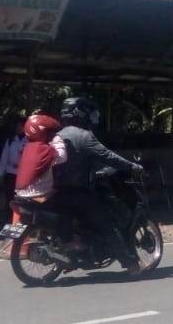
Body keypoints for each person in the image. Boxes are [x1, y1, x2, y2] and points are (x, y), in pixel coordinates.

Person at [52, 96, 144, 273]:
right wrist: (132, 165)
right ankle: (130, 263)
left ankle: (72, 257)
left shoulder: (58, 135)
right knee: (107, 225)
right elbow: (108, 156)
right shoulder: (84, 136)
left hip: (58, 193)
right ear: (80, 114)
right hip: (79, 193)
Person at [14, 114, 67, 200]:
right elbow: (62, 157)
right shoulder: (43, 150)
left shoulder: (28, 147)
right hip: (38, 196)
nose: (50, 135)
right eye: (49, 132)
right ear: (42, 132)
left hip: (21, 196)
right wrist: (57, 138)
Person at [0, 117, 26, 217]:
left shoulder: (29, 140)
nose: (18, 128)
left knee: (21, 198)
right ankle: (8, 217)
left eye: (20, 126)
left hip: (23, 173)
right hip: (10, 172)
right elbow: (4, 157)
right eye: (17, 126)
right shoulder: (10, 140)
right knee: (9, 197)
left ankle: (20, 218)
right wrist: (0, 174)